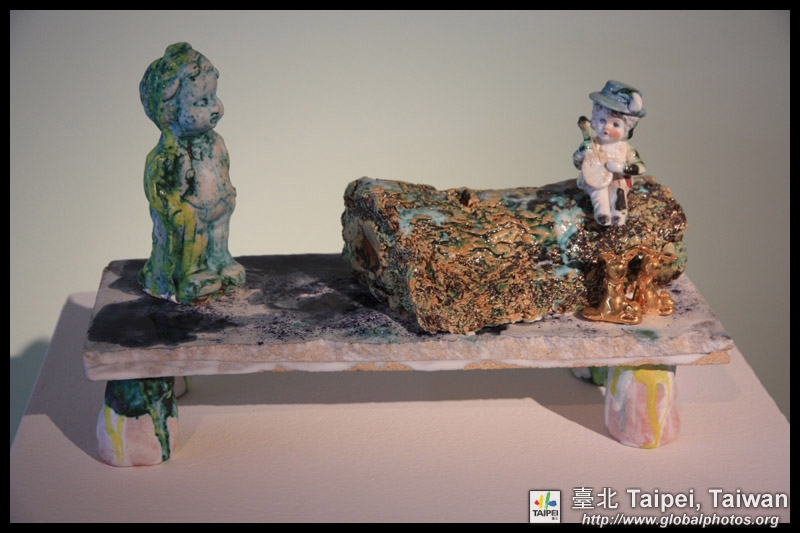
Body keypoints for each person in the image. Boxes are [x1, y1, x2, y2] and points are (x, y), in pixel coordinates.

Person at [138, 42, 245, 304]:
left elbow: (223, 165)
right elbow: (156, 188)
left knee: (218, 234)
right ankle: (189, 274)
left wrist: (228, 194)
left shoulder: (216, 141)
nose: (215, 107)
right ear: (171, 113)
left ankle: (219, 261)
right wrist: (174, 209)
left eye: (214, 98)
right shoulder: (168, 153)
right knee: (192, 238)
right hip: (190, 216)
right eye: (201, 102)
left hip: (218, 207)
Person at [573, 80, 646, 226]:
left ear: (627, 129)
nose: (606, 128)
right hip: (595, 178)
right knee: (598, 190)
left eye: (615, 124)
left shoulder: (625, 149)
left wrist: (622, 167)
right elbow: (578, 163)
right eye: (602, 120)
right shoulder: (593, 145)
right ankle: (602, 213)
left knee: (618, 189)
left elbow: (640, 167)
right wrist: (581, 153)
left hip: (618, 178)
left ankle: (619, 213)